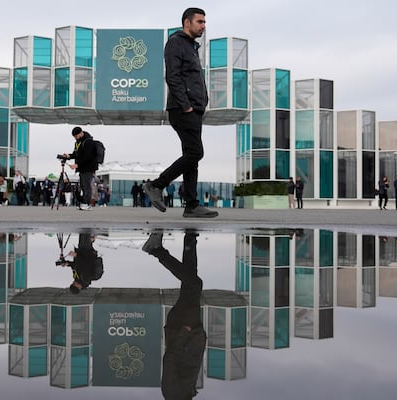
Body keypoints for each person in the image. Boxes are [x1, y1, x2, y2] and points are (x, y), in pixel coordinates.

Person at [142, 8, 217, 218]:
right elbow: (172, 76)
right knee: (196, 153)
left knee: (191, 156)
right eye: (200, 22)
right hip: (183, 109)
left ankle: (192, 205)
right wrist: (186, 105)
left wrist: (202, 101)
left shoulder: (191, 46)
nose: (204, 26)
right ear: (187, 23)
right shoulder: (176, 43)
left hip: (194, 108)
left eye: (204, 22)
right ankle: (157, 185)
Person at [141, 230, 205, 399]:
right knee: (190, 277)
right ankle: (189, 241)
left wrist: (185, 332)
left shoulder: (172, 394)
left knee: (194, 283)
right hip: (192, 329)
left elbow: (170, 360)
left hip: (182, 327)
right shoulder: (183, 395)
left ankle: (155, 250)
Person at [64, 126, 99, 211]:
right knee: (83, 186)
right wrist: (69, 156)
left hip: (89, 167)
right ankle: (84, 203)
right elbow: (76, 154)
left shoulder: (88, 141)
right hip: (82, 168)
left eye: (76, 136)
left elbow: (88, 157)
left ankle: (86, 204)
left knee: (87, 186)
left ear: (81, 133)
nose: (76, 138)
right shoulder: (78, 142)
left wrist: (77, 165)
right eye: (74, 137)